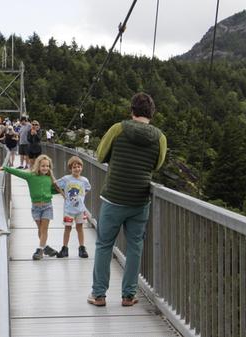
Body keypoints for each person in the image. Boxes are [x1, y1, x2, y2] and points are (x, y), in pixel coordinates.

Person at [87, 92, 167, 307]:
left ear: (132, 111)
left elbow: (101, 155)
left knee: (104, 245)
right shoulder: (160, 137)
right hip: (140, 201)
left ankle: (99, 295)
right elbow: (157, 165)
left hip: (114, 198)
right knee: (134, 247)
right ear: (152, 113)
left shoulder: (118, 128)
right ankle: (128, 295)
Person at [0, 155, 62, 260]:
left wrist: (60, 189)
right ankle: (45, 247)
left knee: (44, 229)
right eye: (43, 166)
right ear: (38, 166)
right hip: (35, 207)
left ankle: (40, 250)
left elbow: (50, 191)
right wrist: (5, 168)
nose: (45, 168)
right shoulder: (31, 176)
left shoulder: (49, 178)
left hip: (47, 206)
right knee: (40, 230)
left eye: (47, 166)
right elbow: (18, 173)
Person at [56, 156, 91, 258]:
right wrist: (63, 194)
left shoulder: (84, 180)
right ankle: (64, 248)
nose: (77, 169)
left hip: (80, 209)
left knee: (80, 228)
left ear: (82, 168)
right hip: (69, 210)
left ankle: (82, 248)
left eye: (79, 167)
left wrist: (81, 197)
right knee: (68, 228)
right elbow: (56, 185)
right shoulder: (67, 179)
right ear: (70, 169)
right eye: (74, 167)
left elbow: (88, 189)